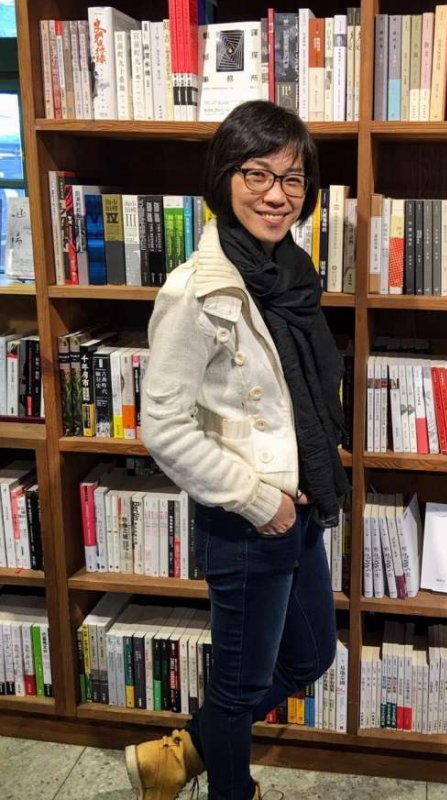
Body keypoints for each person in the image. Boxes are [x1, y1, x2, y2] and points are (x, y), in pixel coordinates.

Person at [124, 100, 350, 800]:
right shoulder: (197, 292)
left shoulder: (292, 275)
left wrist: (292, 501)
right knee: (240, 685)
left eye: (293, 178)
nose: (278, 195)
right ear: (224, 177)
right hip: (248, 518)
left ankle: (176, 755)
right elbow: (163, 427)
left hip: (301, 507)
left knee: (311, 657)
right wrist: (259, 502)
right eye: (258, 174)